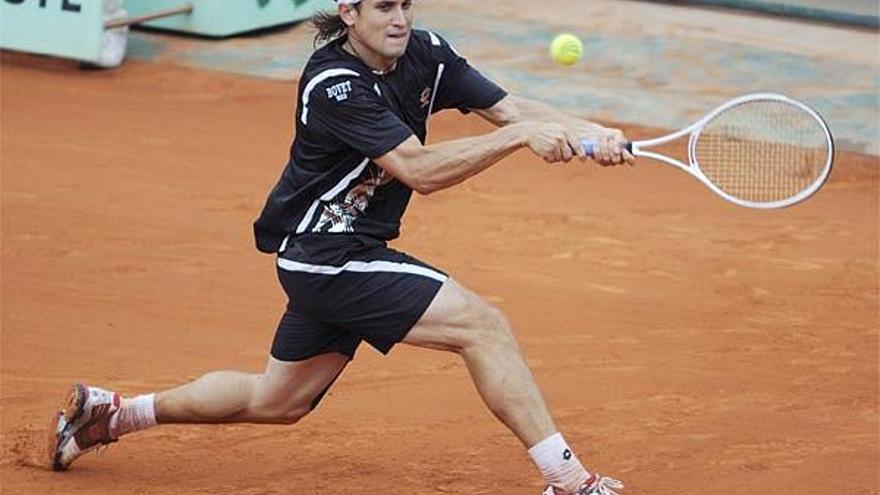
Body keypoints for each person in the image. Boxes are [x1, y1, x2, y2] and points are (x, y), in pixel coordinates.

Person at [50, 1, 635, 493]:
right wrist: (517, 139)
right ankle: (571, 481)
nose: (400, 18)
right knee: (483, 327)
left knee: (277, 400)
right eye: (384, 6)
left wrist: (589, 131)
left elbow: (511, 108)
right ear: (349, 13)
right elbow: (418, 169)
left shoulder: (427, 53)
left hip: (345, 254)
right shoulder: (333, 84)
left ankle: (114, 415)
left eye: (406, 3)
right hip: (325, 255)